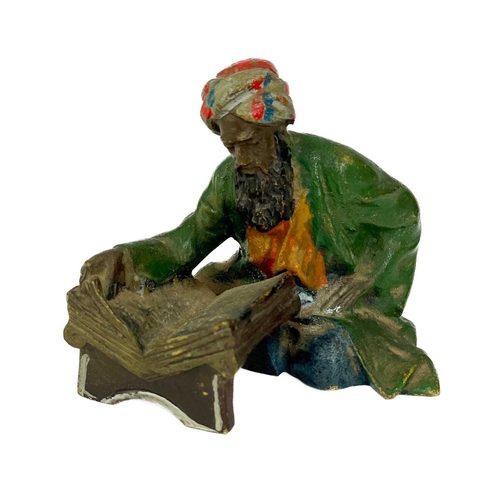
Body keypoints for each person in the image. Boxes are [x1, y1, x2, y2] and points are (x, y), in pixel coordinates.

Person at [80, 58, 439, 399]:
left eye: (251, 142)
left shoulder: (336, 167)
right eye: (231, 146)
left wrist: (365, 276)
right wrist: (125, 257)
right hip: (259, 290)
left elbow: (404, 213)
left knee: (328, 352)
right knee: (178, 300)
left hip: (323, 297)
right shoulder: (230, 178)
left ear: (277, 128)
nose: (242, 159)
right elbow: (186, 242)